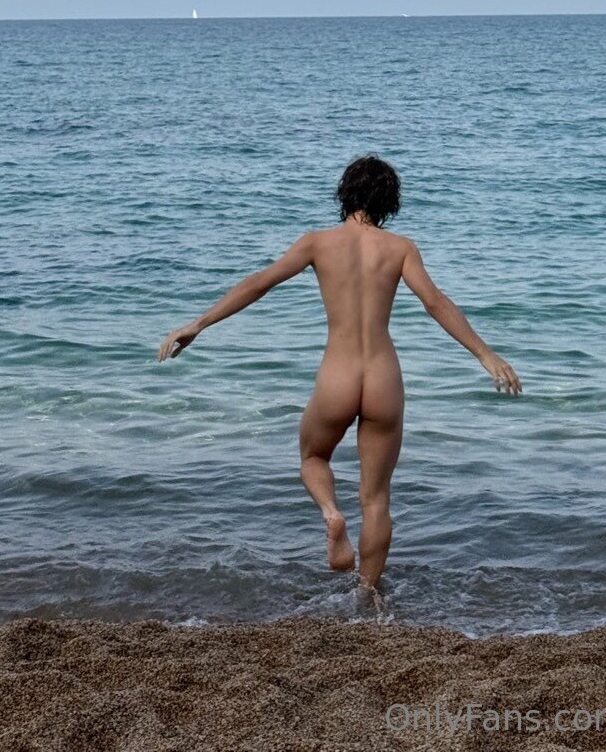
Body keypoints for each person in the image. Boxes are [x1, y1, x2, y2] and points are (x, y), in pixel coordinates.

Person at [157, 154, 521, 595]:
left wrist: (198, 323)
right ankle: (368, 597)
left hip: (338, 375)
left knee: (313, 458)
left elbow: (259, 282)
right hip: (383, 377)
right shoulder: (401, 248)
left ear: (345, 193)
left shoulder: (317, 243)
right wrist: (485, 355)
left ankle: (331, 514)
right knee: (377, 499)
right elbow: (435, 302)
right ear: (390, 201)